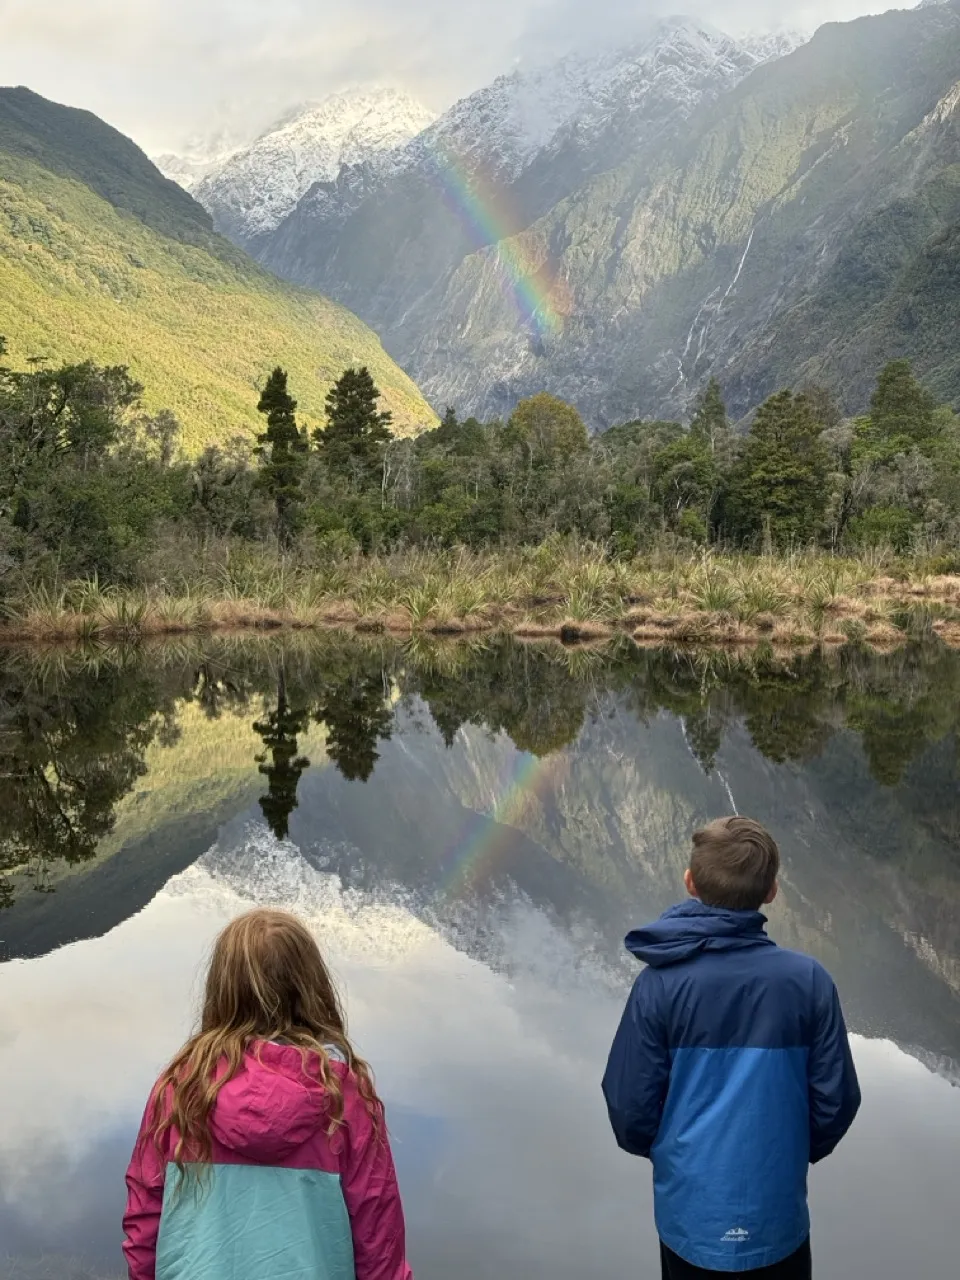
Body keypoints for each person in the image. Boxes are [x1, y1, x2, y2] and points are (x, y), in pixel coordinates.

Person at [602, 817, 861, 1279]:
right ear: (772, 892)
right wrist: (789, 1152)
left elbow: (629, 1106)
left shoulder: (658, 986)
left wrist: (674, 1156)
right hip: (777, 1216)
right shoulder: (809, 982)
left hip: (690, 1218)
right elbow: (837, 1103)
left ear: (690, 883)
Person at [123, 908, 413, 1280]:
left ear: (222, 990)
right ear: (312, 988)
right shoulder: (343, 1096)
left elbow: (144, 1220)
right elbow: (379, 1237)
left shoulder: (180, 1089)